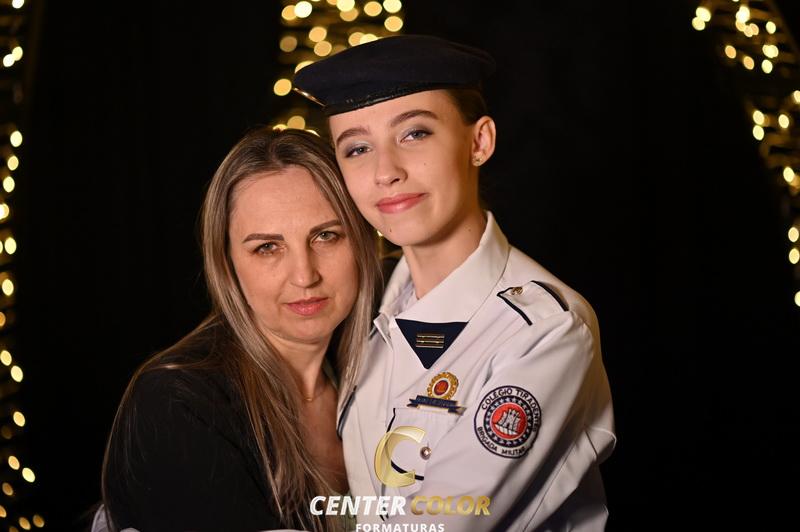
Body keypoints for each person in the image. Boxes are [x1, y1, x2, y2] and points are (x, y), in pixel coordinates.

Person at [293, 35, 615, 531]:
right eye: (357, 148)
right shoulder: (358, 306)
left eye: (414, 133)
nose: (385, 172)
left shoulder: (545, 330)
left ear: (479, 142)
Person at [98, 128, 380, 532]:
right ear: (227, 265)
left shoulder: (383, 359)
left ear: (362, 241)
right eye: (267, 247)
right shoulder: (178, 402)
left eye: (326, 236)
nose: (304, 275)